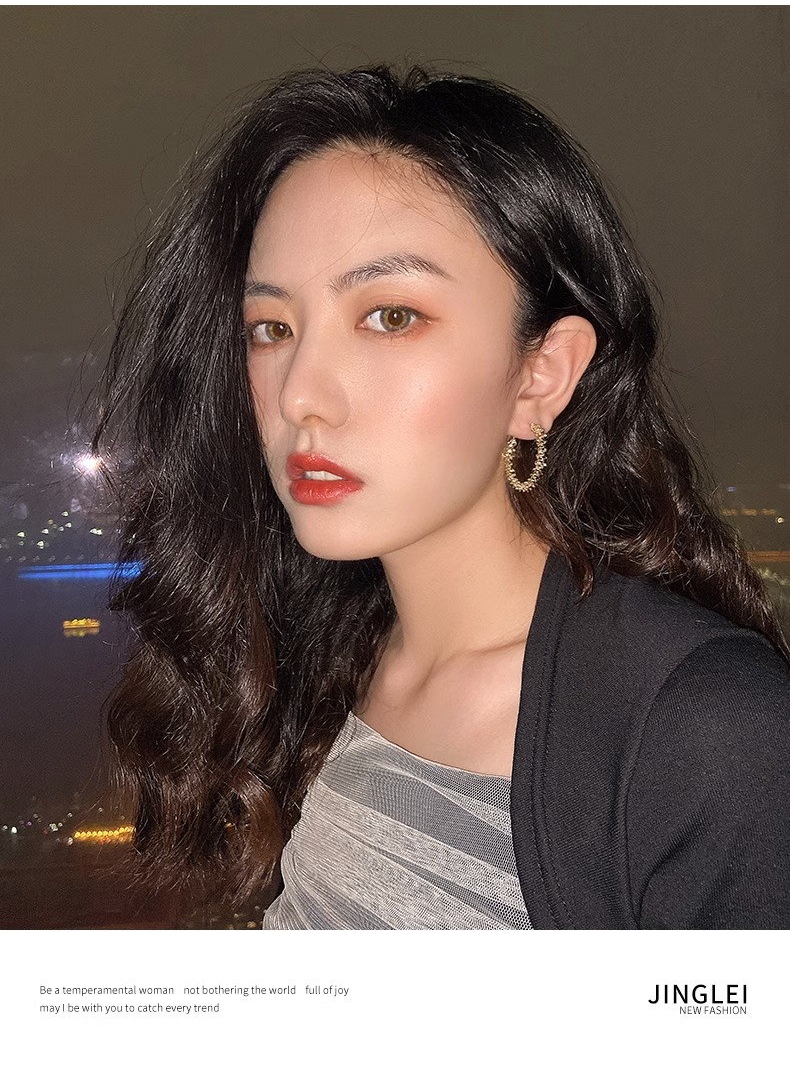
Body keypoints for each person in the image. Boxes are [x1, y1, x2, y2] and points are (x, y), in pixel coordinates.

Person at [93, 64, 790, 930]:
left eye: (391, 316)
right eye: (271, 328)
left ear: (541, 374)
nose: (301, 392)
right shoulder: (319, 657)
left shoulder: (705, 728)